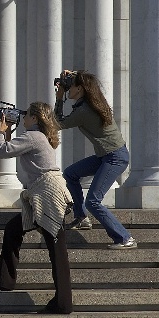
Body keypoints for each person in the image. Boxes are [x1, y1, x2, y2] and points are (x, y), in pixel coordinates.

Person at [0, 102, 74, 315]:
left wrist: (0, 132)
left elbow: (1, 151)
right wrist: (9, 133)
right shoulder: (39, 136)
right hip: (43, 192)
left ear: (35, 118)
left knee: (57, 247)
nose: (23, 117)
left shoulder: (33, 136)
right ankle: (4, 281)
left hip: (47, 193)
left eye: (27, 114)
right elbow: (13, 148)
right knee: (14, 229)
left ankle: (63, 303)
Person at [54, 69, 137, 250]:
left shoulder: (84, 110)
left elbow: (57, 123)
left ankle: (124, 238)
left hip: (114, 157)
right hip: (106, 155)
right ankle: (82, 218)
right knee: (70, 174)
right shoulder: (93, 102)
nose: (69, 89)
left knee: (93, 200)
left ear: (81, 89)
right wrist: (75, 75)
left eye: (72, 85)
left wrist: (59, 97)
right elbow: (86, 81)